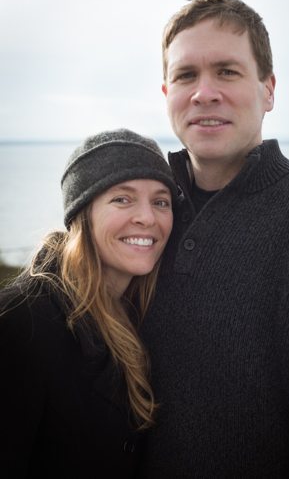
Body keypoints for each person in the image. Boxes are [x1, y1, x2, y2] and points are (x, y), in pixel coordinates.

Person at [139, 0, 289, 478]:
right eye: (186, 75)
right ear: (167, 94)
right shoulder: (144, 214)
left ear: (268, 90)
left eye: (228, 71)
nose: (204, 92)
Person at [0, 128, 176, 478]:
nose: (148, 217)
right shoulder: (20, 323)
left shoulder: (142, 313)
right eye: (122, 199)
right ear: (83, 214)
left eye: (161, 201)